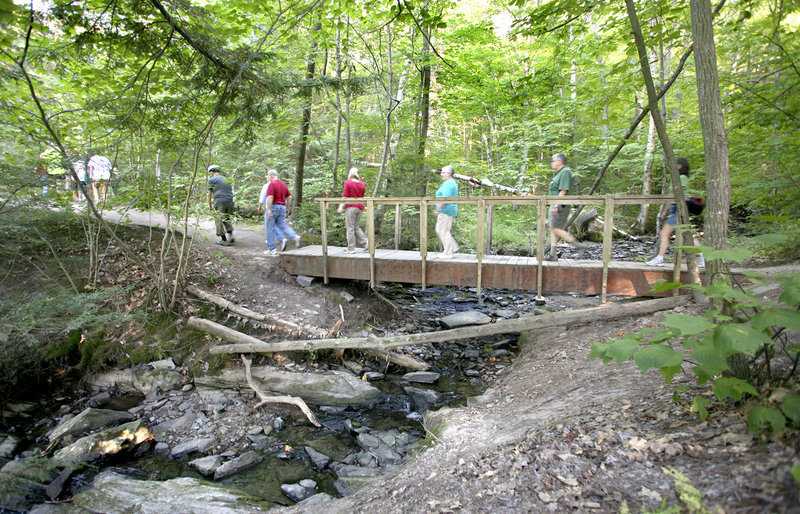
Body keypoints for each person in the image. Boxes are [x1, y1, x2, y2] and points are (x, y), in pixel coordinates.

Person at [646, 157, 705, 267]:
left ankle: (660, 258)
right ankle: (702, 256)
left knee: (665, 234)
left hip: (679, 210)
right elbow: (672, 197)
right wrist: (665, 211)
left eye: (676, 164)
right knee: (686, 236)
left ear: (681, 166)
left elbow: (678, 194)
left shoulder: (682, 178)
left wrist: (667, 210)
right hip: (675, 209)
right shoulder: (678, 178)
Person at [546, 153, 587, 261]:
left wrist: (556, 205)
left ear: (560, 161)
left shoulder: (565, 172)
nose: (552, 163)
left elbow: (563, 190)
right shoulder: (558, 173)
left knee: (555, 228)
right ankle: (553, 254)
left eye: (553, 160)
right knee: (553, 229)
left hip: (561, 205)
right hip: (556, 204)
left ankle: (580, 246)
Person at [261, 170, 300, 256]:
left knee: (269, 227)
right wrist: (287, 208)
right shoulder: (283, 184)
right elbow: (289, 197)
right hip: (282, 206)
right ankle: (294, 236)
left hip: (274, 207)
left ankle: (272, 249)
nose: (267, 178)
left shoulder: (272, 184)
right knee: (282, 225)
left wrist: (268, 209)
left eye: (268, 176)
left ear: (271, 176)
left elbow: (270, 197)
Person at [337, 167, 368, 253]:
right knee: (356, 227)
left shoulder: (348, 183)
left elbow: (345, 196)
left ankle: (351, 249)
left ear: (350, 173)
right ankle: (365, 242)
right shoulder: (362, 184)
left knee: (350, 228)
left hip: (351, 207)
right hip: (360, 207)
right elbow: (361, 196)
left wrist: (340, 206)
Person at [433, 165, 459, 259]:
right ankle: (452, 248)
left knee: (442, 230)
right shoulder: (450, 182)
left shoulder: (449, 183)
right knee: (442, 230)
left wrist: (437, 209)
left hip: (446, 210)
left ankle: (448, 252)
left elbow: (445, 198)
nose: (441, 174)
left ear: (449, 174)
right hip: (448, 210)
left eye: (443, 172)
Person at [207, 164, 236, 246]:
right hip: (230, 200)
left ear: (211, 171)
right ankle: (231, 235)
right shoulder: (226, 179)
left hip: (220, 201)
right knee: (226, 218)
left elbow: (209, 194)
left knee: (218, 219)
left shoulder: (212, 180)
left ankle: (223, 239)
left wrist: (210, 205)